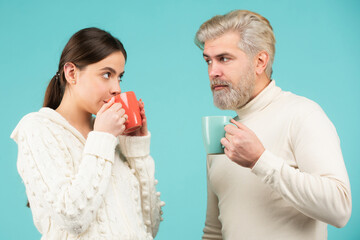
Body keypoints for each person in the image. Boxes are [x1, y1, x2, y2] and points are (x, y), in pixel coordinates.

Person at [194, 10, 351, 239]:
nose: (212, 72)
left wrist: (260, 160)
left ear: (260, 62)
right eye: (208, 60)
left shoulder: (303, 114)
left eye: (224, 59)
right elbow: (213, 232)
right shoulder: (224, 134)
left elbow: (340, 209)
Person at [11, 27, 164, 239]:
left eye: (119, 77)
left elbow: (149, 227)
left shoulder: (111, 137)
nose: (116, 88)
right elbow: (72, 219)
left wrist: (136, 150)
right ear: (71, 73)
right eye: (106, 74)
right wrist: (102, 138)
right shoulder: (37, 128)